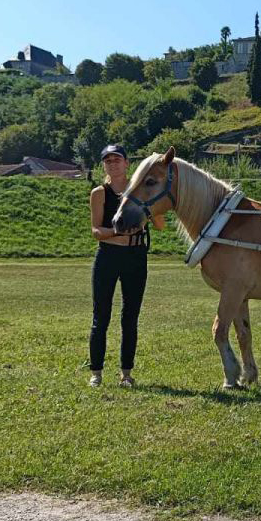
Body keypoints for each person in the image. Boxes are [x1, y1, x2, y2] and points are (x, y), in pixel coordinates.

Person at [87, 145, 164, 387]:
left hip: (135, 257)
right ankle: (96, 373)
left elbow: (160, 225)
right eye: (108, 160)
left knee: (130, 318)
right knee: (101, 317)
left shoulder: (140, 190)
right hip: (108, 258)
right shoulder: (100, 193)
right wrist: (118, 232)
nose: (113, 164)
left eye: (117, 159)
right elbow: (96, 231)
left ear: (127, 163)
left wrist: (149, 211)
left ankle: (126, 373)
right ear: (104, 166)